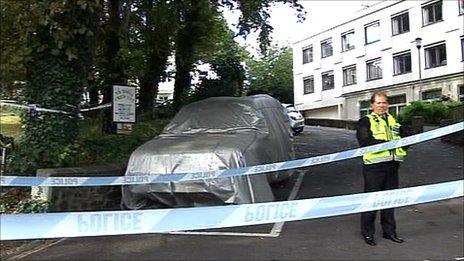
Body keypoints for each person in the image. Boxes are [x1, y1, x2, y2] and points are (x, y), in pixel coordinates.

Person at [356, 91, 408, 246]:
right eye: (378, 103)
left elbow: (405, 139)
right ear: (372, 105)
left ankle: (389, 232)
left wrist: (405, 146)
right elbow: (365, 141)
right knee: (372, 201)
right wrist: (387, 143)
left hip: (392, 165)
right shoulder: (366, 121)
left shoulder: (394, 121)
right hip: (374, 167)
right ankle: (368, 233)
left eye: (384, 102)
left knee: (389, 201)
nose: (382, 105)